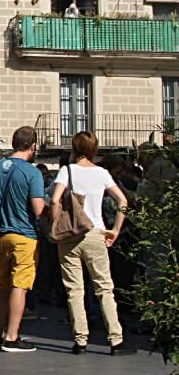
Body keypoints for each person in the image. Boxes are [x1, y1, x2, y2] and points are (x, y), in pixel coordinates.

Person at [50, 132, 136, 356]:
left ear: (74, 149)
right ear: (93, 149)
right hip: (95, 233)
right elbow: (123, 200)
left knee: (74, 290)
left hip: (69, 236)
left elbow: (54, 198)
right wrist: (115, 230)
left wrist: (55, 221)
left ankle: (80, 340)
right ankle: (115, 340)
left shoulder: (66, 171)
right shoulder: (102, 173)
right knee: (104, 288)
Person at [0, 125, 45, 354]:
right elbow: (38, 208)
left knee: (0, 285)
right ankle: (12, 337)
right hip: (24, 234)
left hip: (0, 233)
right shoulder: (33, 173)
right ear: (33, 146)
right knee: (19, 286)